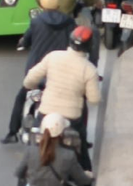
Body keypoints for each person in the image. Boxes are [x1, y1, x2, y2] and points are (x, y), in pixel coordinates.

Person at [2, 0, 77, 145]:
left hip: (38, 74)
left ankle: (12, 132)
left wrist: (23, 42)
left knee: (21, 97)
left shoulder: (36, 22)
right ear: (58, 3)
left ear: (42, 3)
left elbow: (27, 40)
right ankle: (79, 136)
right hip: (61, 74)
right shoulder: (69, 21)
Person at [24, 26, 101, 171]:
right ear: (90, 46)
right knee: (82, 153)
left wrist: (29, 85)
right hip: (72, 119)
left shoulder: (53, 56)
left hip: (45, 112)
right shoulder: (90, 69)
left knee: (31, 147)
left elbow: (30, 78)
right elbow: (94, 99)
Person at [15, 113, 93, 186]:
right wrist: (89, 176)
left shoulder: (30, 151)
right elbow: (82, 179)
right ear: (62, 132)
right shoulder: (69, 155)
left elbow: (19, 173)